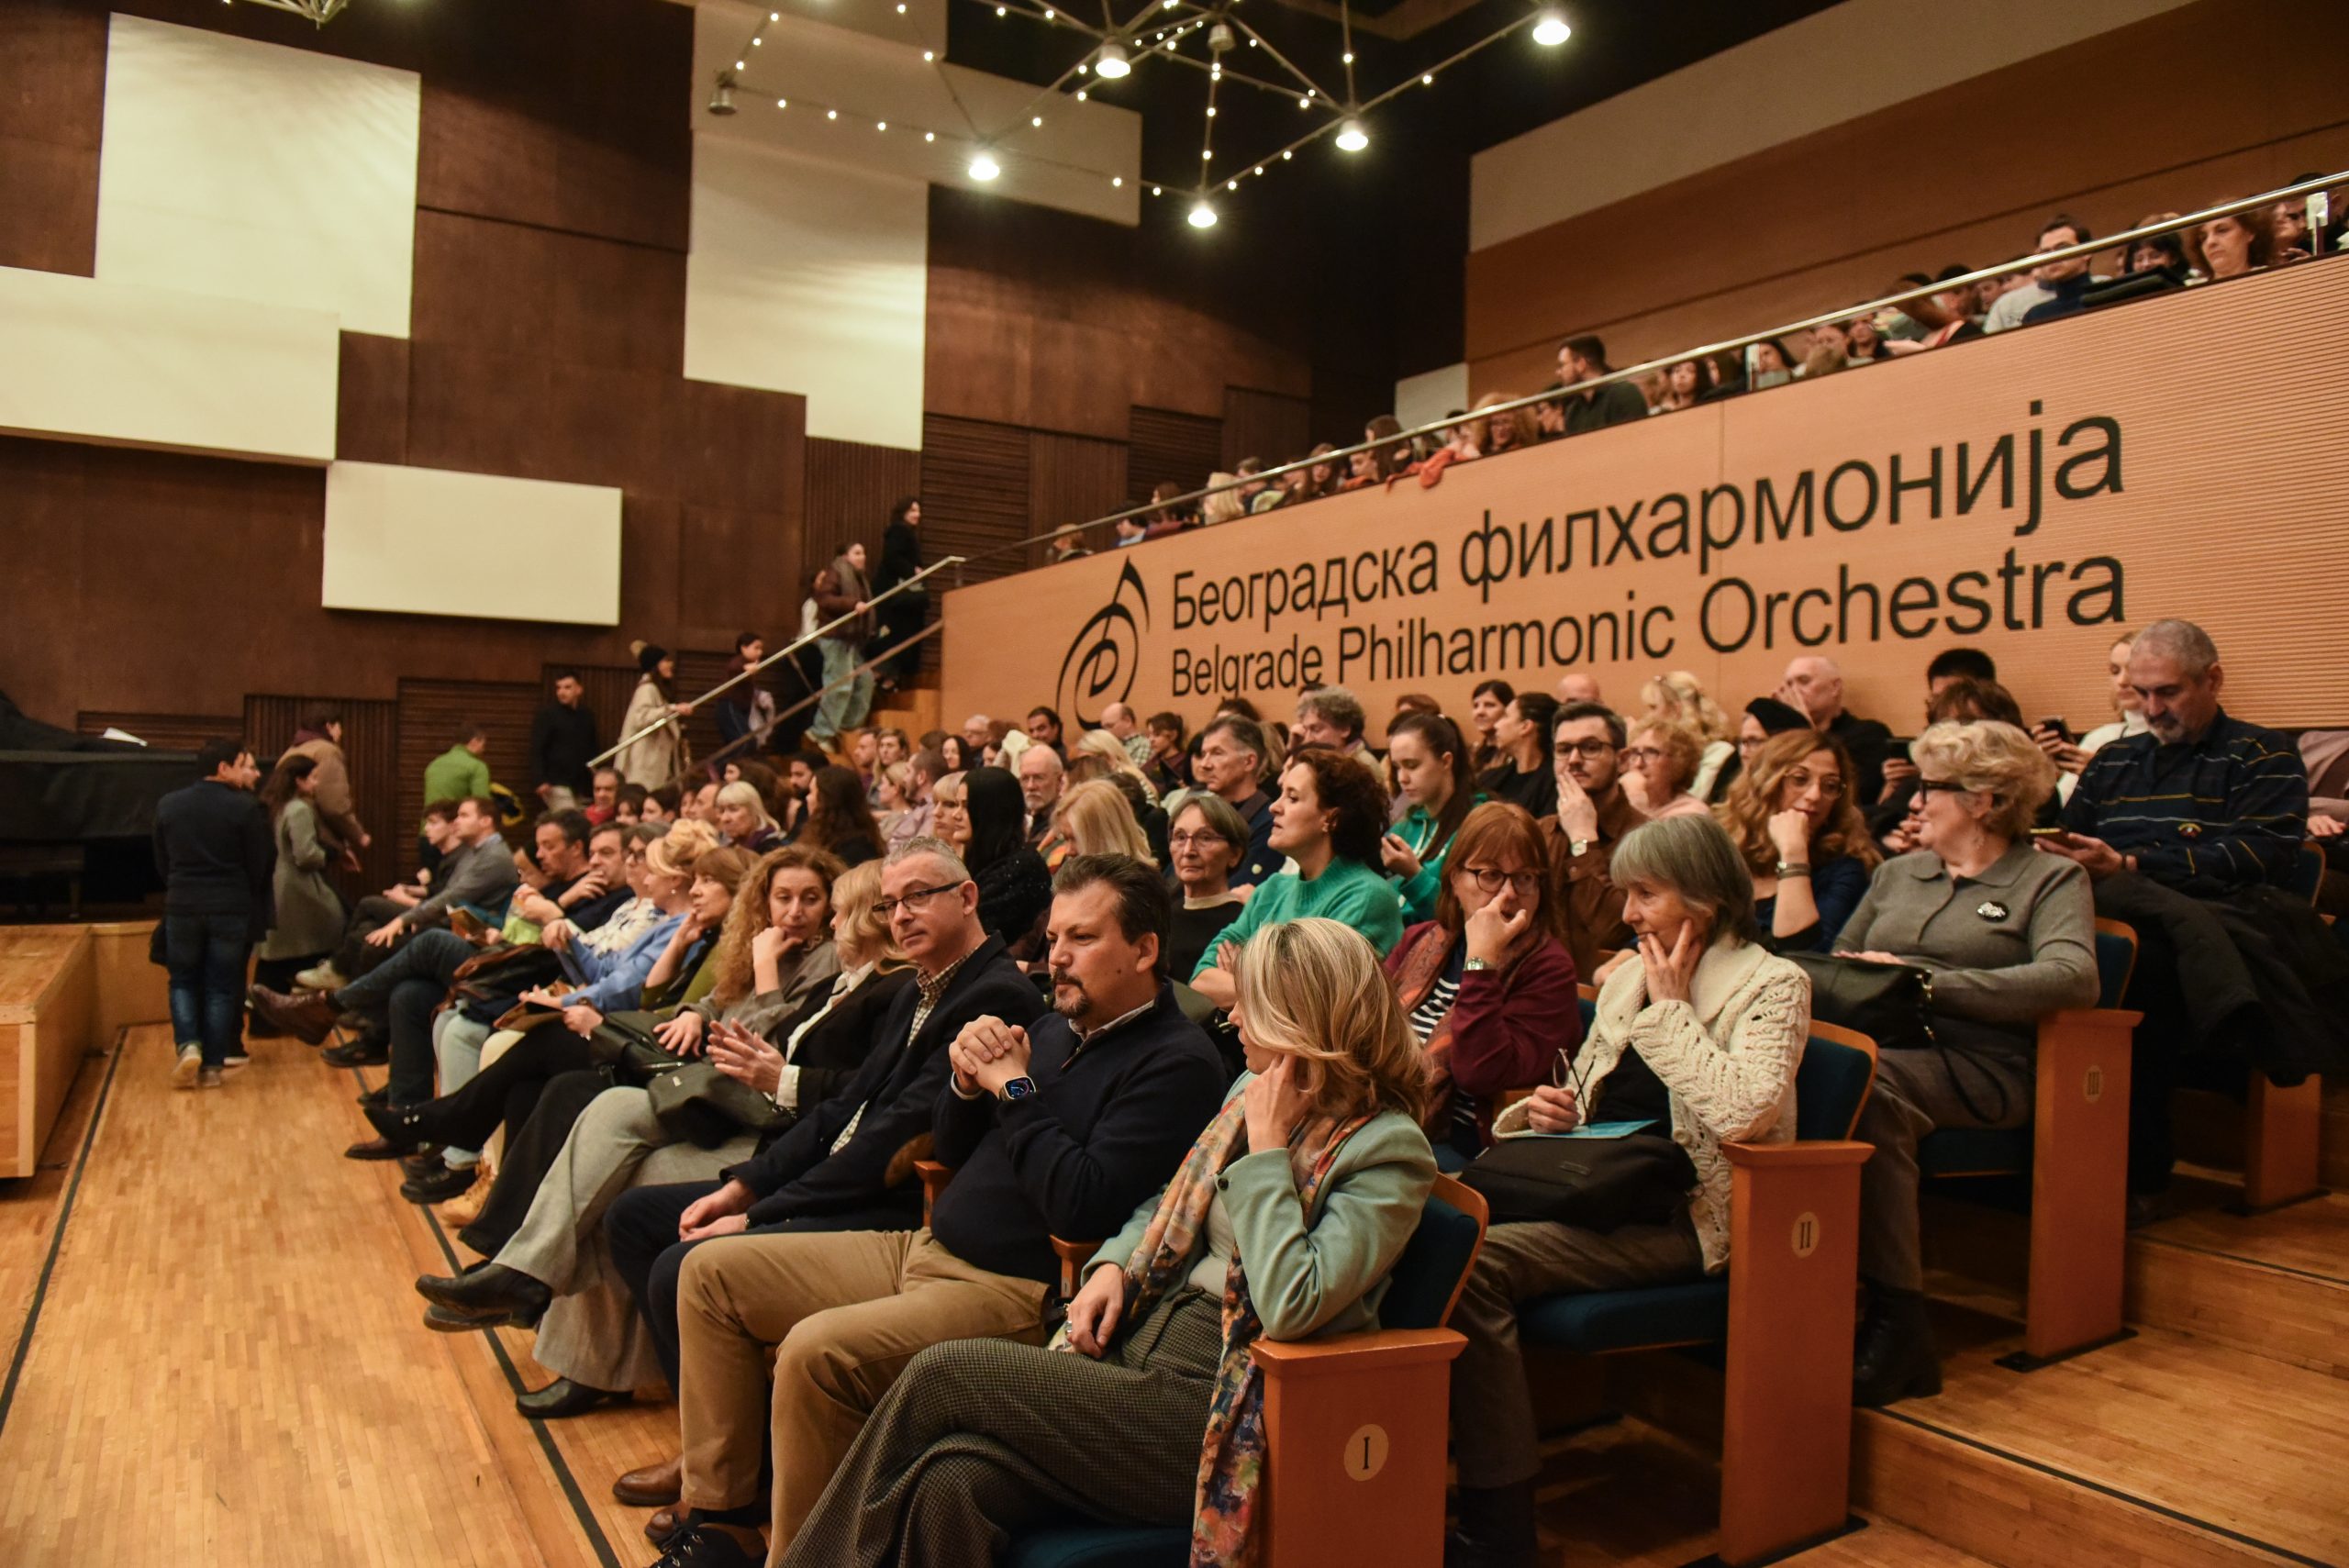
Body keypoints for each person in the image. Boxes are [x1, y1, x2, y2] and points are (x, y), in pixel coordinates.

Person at [785, 915, 1435, 1568]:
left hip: (1227, 1403)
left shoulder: (1385, 1149)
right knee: (951, 1479)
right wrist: (1113, 1264)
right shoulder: (1248, 1088)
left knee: (941, 1374)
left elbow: (1293, 1304)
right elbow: (1172, 1196)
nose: (1232, 1017)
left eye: (1251, 1006)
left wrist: (1266, 1154)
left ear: (1300, 1020)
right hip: (1138, 1346)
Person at [611, 851, 1194, 1562]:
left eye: (1083, 938)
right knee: (708, 1275)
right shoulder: (1053, 1029)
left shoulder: (1175, 1061)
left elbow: (1079, 1206)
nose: (1058, 956)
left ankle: (800, 1556)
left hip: (1014, 1288)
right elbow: (949, 1146)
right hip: (924, 1243)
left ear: (1144, 949)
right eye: (1055, 937)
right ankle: (723, 1513)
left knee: (814, 1352)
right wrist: (965, 1082)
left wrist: (1012, 1089)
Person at [1445, 815, 1809, 1566]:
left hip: (1684, 1216)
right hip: (1600, 1190)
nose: (1628, 913)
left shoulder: (1773, 984)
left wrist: (1672, 1011)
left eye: (1645, 894)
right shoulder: (1629, 978)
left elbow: (1744, 1112)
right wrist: (1545, 1111)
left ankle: (1498, 1522)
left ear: (1705, 900)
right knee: (1430, 1219)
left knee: (1475, 1265)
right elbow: (1584, 1095)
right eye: (1626, 894)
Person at [414, 854, 885, 1418]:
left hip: (759, 1123)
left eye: (824, 904)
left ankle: (557, 1317)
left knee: (612, 1165)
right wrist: (694, 1009)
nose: (811, 916)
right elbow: (694, 1002)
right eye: (786, 897)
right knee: (601, 1106)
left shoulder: (843, 973)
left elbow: (778, 1052)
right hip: (727, 1099)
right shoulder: (817, 966)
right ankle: (527, 1277)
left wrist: (761, 979)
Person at [1833, 721, 2096, 1405]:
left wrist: (1925, 983)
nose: (1915, 801)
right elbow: (1841, 962)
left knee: (1864, 1087)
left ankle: (1899, 1322)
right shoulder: (1897, 873)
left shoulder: (2049, 877)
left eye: (1931, 787)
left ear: (1984, 800)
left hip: (1985, 1064)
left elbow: (2073, 977)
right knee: (1817, 1074)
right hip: (1888, 1046)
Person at [2044, 619, 2345, 1205]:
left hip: (2221, 916)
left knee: (2136, 965)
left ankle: (2140, 1175)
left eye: (2168, 692)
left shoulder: (2264, 754)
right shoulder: (2113, 759)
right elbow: (2068, 838)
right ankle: (2053, 1154)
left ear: (2213, 680)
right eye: (2141, 693)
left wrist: (2132, 864)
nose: (2152, 709)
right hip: (2114, 907)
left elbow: (2257, 857)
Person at [1386, 803, 1578, 1164]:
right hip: (1385, 1115)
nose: (1508, 894)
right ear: (1455, 879)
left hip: (1464, 1144)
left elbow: (1480, 1074)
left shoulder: (1549, 968)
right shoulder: (1420, 939)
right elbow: (1364, 1033)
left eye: (1524, 878)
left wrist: (1481, 963)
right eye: (1491, 875)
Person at [1191, 749, 1405, 1006]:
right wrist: (1269, 985)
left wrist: (1244, 973)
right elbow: (1201, 981)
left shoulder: (1367, 898)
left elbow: (1307, 1002)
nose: (1274, 807)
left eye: (1292, 798)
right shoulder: (1272, 889)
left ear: (1331, 818)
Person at [155, 739, 273, 1088]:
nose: (249, 772)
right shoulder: (246, 808)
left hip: (182, 904)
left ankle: (188, 1044)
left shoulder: (168, 804)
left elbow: (161, 861)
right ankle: (212, 1068)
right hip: (229, 906)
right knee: (221, 986)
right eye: (241, 764)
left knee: (182, 980)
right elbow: (259, 864)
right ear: (223, 768)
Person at [1715, 730, 1881, 954]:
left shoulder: (1846, 868)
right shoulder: (1721, 849)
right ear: (1765, 782)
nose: (1815, 795)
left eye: (1830, 786)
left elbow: (1805, 954)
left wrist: (1794, 853)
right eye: (1800, 780)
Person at [1541, 701, 1647, 977]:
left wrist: (1583, 841)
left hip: (1604, 993)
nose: (1574, 759)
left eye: (1590, 747)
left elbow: (1614, 932)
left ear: (1623, 760)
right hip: (1537, 989)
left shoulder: (1649, 837)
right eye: (1563, 749)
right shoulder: (1539, 832)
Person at [941, 768, 1054, 960]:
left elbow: (963, 933)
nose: (955, 815)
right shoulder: (984, 861)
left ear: (990, 811)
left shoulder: (1022, 867)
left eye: (966, 806)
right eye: (957, 805)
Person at [253, 754, 342, 1001]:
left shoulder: (273, 806)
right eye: (313, 778)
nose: (316, 784)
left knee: (273, 962)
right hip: (299, 893)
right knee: (322, 942)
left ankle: (264, 1014)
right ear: (299, 780)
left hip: (274, 890)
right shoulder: (299, 809)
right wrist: (328, 854)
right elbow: (306, 855)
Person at [1381, 712, 1481, 923]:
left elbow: (1467, 917)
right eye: (1397, 767)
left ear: (1446, 761)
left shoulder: (1479, 823)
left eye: (1412, 765)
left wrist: (1414, 875)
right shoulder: (1406, 825)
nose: (1402, 778)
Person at [1778, 654, 1894, 806]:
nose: (1794, 691)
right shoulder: (1781, 738)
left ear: (1835, 687)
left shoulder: (1868, 734)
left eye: (1804, 681)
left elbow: (1851, 801)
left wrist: (1804, 728)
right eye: (1789, 685)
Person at [2045, 633, 2149, 802]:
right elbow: (2063, 804)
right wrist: (2043, 771)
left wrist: (2103, 775)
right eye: (2115, 671)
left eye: (2133, 670)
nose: (2122, 681)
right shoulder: (2101, 738)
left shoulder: (2179, 737)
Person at [1161, 789, 1249, 979]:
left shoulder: (1243, 924)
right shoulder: (1158, 915)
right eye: (1180, 837)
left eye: (1205, 838)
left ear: (1234, 855)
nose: (1188, 851)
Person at [1191, 715, 1282, 891]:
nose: (1205, 764)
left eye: (1217, 753)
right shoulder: (1200, 815)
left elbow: (1235, 891)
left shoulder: (1269, 825)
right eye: (1203, 754)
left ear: (1249, 762)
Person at [281, 706, 368, 866]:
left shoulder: (290, 751)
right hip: (315, 836)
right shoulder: (327, 751)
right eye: (339, 727)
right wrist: (357, 834)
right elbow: (334, 804)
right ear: (329, 726)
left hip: (285, 834)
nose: (341, 733)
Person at [811, 546, 878, 747]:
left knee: (865, 681)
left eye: (863, 553)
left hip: (851, 639)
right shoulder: (835, 572)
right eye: (857, 553)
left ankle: (846, 726)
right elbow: (824, 600)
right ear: (845, 556)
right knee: (840, 686)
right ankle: (822, 732)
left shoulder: (859, 578)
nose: (862, 557)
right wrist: (852, 604)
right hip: (835, 637)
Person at [1981, 215, 2092, 331]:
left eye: (2062, 248)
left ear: (2086, 251)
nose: (2053, 257)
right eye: (2045, 252)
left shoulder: (2103, 299)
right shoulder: (2035, 315)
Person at [1637, 671, 1734, 800]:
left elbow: (1696, 797)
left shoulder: (1718, 751)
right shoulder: (1649, 750)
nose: (1648, 716)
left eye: (1653, 708)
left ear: (1675, 710)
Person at [618, 645, 693, 790]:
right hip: (646, 758)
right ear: (655, 665)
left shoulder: (656, 689)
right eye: (665, 661)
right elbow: (641, 718)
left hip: (655, 757)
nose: (670, 664)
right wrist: (672, 709)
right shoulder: (647, 689)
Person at [1042, 779, 1154, 874]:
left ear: (1105, 835)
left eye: (1075, 839)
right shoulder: (1061, 872)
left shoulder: (1138, 887)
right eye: (1065, 839)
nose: (1068, 850)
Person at [1479, 692, 1560, 821]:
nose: (1496, 725)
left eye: (1505, 716)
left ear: (1525, 727)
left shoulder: (1555, 785)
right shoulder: (1489, 779)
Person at [873, 497, 925, 692]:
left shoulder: (900, 532)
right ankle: (886, 675)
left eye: (918, 510)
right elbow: (892, 557)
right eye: (913, 510)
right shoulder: (900, 532)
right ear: (903, 512)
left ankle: (889, 676)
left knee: (896, 636)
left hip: (896, 597)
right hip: (897, 597)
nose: (917, 515)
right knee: (898, 635)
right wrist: (913, 571)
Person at [530, 669, 601, 810]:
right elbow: (537, 748)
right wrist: (540, 779)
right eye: (558, 688)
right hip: (556, 781)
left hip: (582, 783)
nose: (561, 692)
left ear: (579, 689)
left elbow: (592, 748)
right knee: (567, 818)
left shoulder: (587, 716)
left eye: (567, 687)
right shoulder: (548, 715)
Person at [1620, 717, 1710, 820]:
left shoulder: (1692, 814)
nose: (1638, 763)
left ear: (1679, 761)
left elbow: (1642, 830)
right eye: (1634, 752)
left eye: (1651, 752)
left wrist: (1636, 799)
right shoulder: (1620, 800)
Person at [1555, 335, 1647, 434]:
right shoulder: (1573, 412)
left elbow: (1637, 436)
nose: (1558, 372)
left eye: (1562, 365)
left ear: (1581, 364)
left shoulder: (1625, 393)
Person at [802, 763, 884, 867]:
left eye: (811, 792)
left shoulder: (857, 849)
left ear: (825, 800)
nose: (807, 798)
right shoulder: (820, 835)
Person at [716, 633, 780, 758]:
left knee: (738, 745)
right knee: (745, 743)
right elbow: (733, 668)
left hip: (739, 708)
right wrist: (744, 668)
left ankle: (724, 767)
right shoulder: (739, 662)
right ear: (744, 648)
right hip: (729, 706)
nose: (760, 652)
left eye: (761, 649)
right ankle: (718, 766)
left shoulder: (748, 665)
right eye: (756, 648)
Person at [2184, 202, 2277, 283]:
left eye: (2222, 230)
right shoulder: (2189, 290)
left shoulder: (2273, 278)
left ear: (2249, 233)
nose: (2210, 242)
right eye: (2203, 238)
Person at [1293, 685, 1374, 765]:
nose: (1307, 740)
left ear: (1344, 729)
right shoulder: (1329, 762)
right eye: (1305, 730)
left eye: (1316, 730)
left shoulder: (1362, 765)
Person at [1015, 742, 1064, 850]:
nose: (1030, 786)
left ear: (1059, 781)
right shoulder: (1017, 818)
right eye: (1025, 778)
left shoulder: (1066, 822)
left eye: (1038, 778)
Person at [713, 781, 783, 853]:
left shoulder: (772, 849)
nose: (725, 818)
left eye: (733, 809)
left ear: (753, 810)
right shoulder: (728, 849)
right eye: (722, 811)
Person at [1467, 679, 1515, 776]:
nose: (1480, 712)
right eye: (1476, 706)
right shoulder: (1471, 754)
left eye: (1489, 705)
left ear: (1508, 709)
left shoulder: (1515, 754)